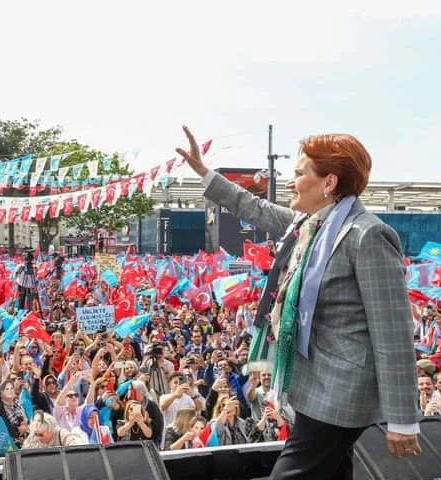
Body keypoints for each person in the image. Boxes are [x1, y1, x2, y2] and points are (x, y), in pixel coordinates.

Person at [178, 126, 420, 478]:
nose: (290, 182)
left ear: (329, 183)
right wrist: (204, 172)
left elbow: (393, 332)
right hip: (311, 387)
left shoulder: (367, 235)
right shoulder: (309, 225)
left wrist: (403, 418)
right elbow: (255, 208)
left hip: (339, 395)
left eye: (298, 173)